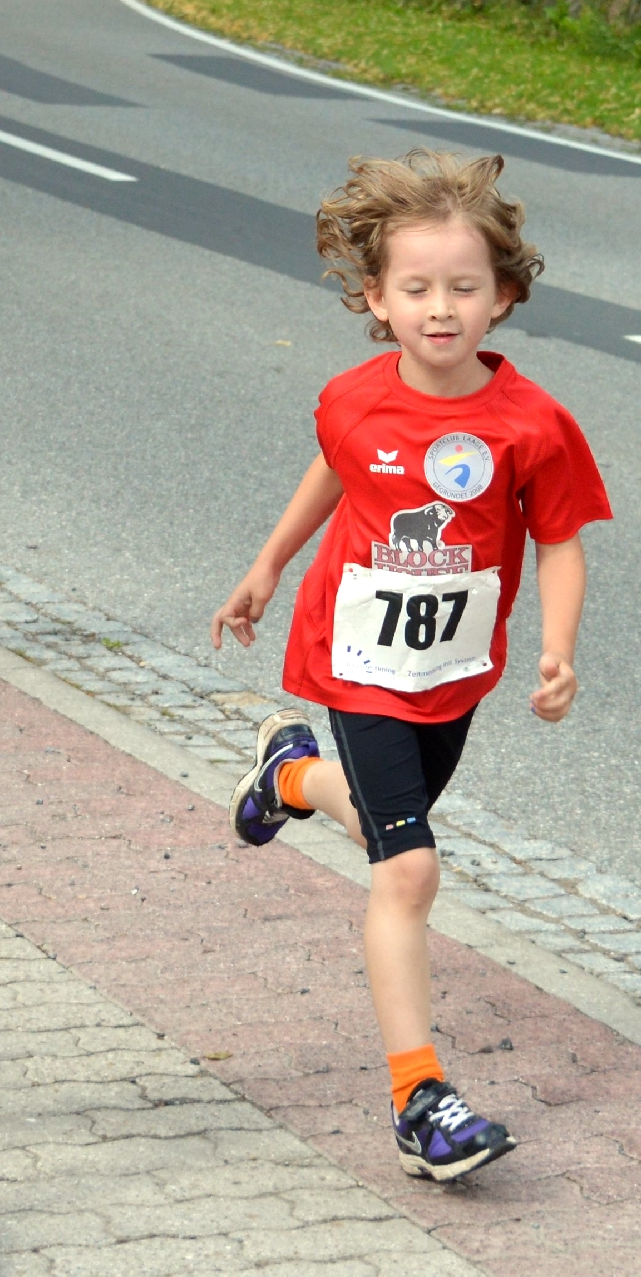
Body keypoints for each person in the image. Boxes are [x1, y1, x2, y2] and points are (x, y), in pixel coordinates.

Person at [212, 150, 610, 1183]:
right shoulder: (353, 398)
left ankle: (289, 778)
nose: (442, 308)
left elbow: (560, 540)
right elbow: (334, 475)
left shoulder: (534, 424)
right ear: (376, 300)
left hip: (452, 673)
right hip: (353, 663)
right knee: (409, 868)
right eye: (417, 289)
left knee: (397, 830)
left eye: (464, 287)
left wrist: (557, 649)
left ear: (505, 295)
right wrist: (266, 566)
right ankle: (418, 1099)